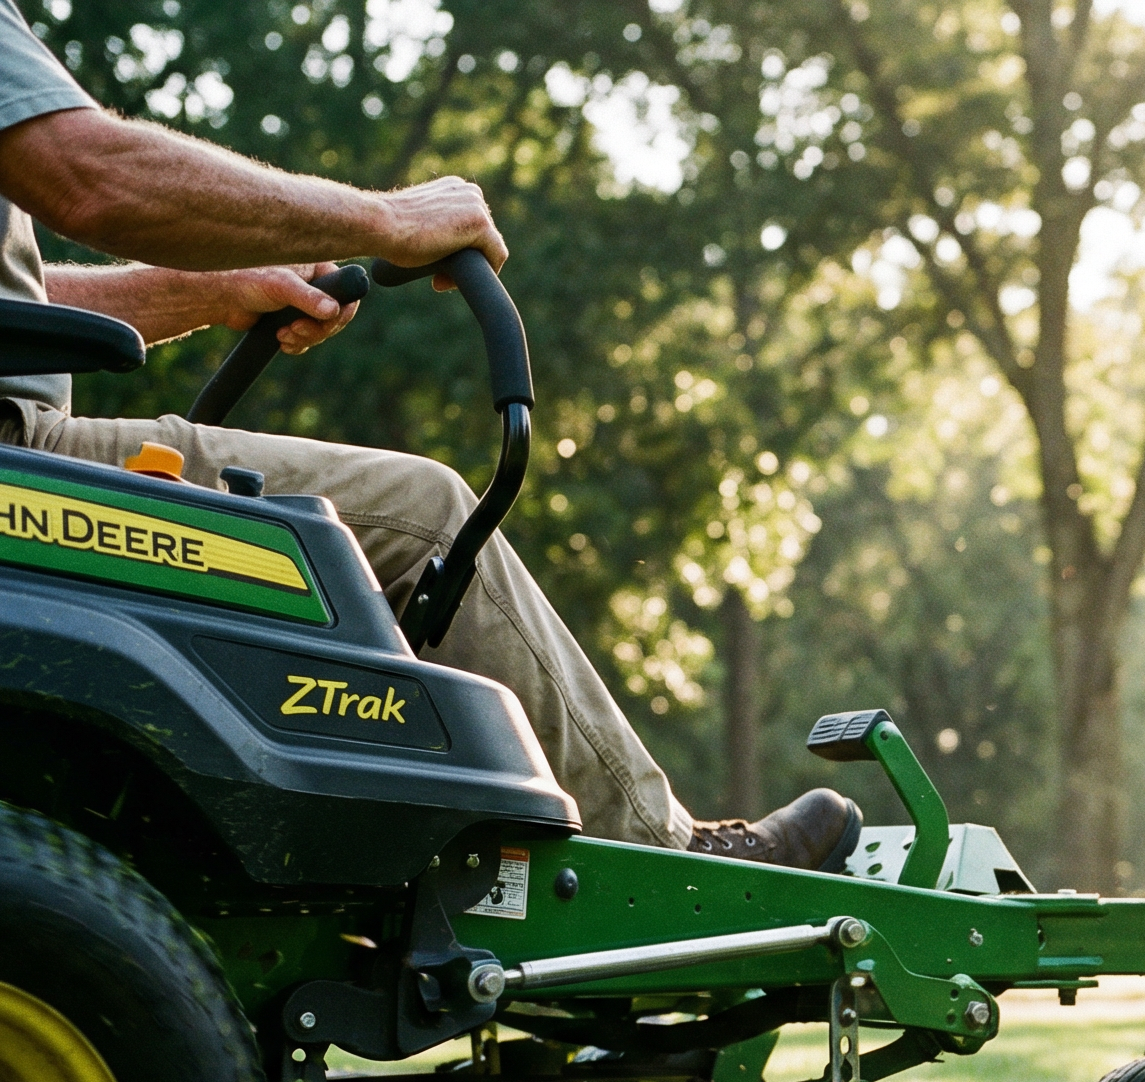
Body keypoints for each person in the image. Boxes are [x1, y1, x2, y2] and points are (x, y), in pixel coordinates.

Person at [0, 1, 858, 870]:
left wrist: (207, 289)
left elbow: (23, 301)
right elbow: (87, 172)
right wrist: (385, 220)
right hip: (19, 464)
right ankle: (671, 867)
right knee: (421, 515)